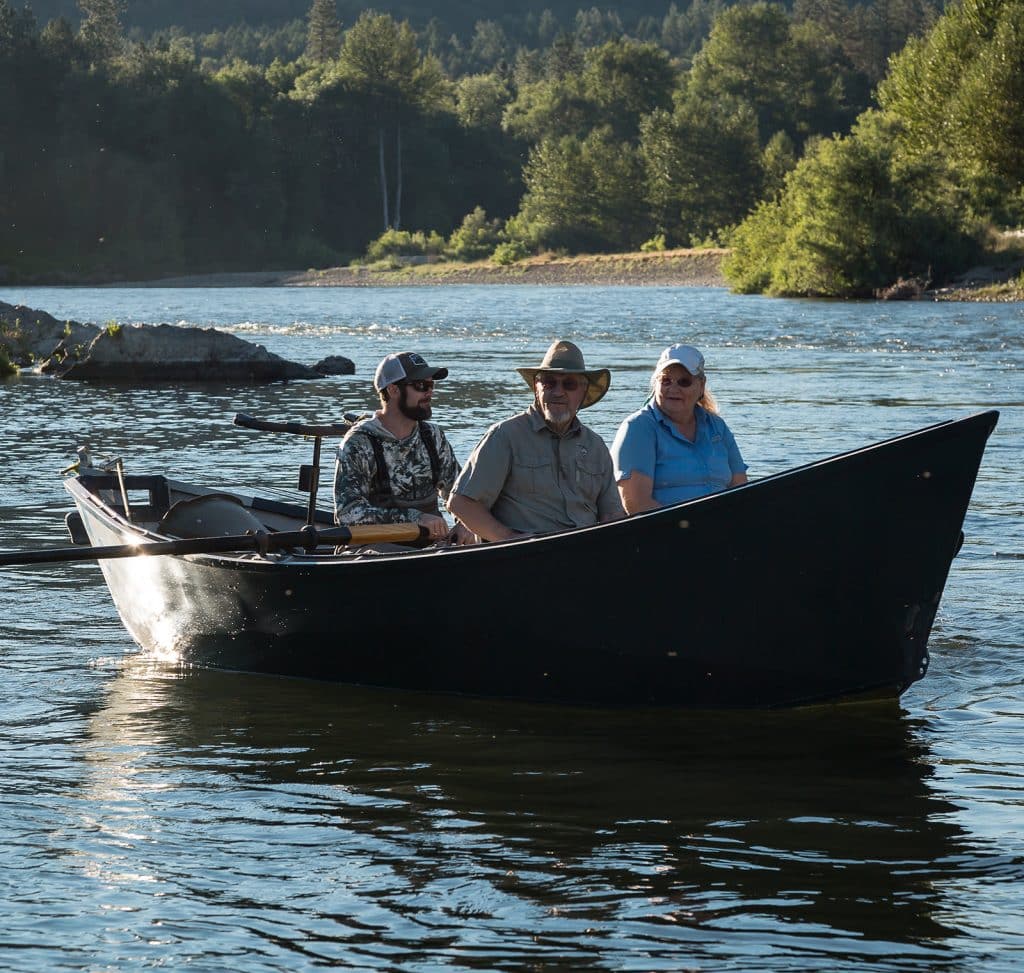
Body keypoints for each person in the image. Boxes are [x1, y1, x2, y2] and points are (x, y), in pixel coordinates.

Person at [448, 340, 624, 541]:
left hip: (584, 552)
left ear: (583, 392)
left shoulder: (596, 446)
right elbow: (461, 503)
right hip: (524, 558)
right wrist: (508, 538)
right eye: (549, 382)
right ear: (536, 387)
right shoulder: (505, 436)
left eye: (569, 384)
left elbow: (612, 515)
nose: (558, 392)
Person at [334, 351, 471, 544]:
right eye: (421, 386)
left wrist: (465, 523)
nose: (429, 392)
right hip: (372, 551)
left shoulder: (433, 436)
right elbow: (348, 514)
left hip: (431, 548)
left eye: (431, 385)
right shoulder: (359, 443)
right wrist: (415, 518)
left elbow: (460, 493)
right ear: (393, 390)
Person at [610, 343, 747, 514]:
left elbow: (742, 491)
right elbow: (636, 504)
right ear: (656, 383)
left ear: (701, 385)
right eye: (666, 380)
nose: (673, 389)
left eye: (684, 382)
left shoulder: (718, 427)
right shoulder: (637, 428)